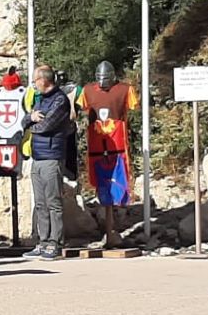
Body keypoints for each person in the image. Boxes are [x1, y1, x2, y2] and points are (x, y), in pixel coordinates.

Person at [81, 62, 138, 247]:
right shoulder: (88, 91)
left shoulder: (124, 90)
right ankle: (108, 230)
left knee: (117, 183)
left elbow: (133, 107)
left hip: (118, 145)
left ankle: (113, 229)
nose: (103, 80)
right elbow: (78, 108)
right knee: (101, 185)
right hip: (97, 144)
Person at [24, 65, 73, 260]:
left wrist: (31, 124)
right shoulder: (39, 100)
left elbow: (46, 126)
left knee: (53, 201)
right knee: (40, 202)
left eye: (35, 80)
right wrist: (30, 117)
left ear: (44, 80)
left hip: (52, 157)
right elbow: (25, 121)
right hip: (37, 157)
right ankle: (42, 241)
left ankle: (56, 242)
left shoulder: (60, 100)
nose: (33, 84)